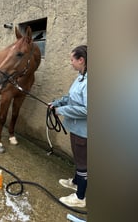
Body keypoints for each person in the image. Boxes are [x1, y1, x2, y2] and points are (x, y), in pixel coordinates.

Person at [49, 45, 87, 208]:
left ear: (81, 60)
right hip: (76, 128)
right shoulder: (81, 77)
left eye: (72, 59)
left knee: (83, 163)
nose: (70, 62)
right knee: (79, 159)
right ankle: (75, 182)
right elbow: (72, 98)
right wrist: (57, 103)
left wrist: (61, 110)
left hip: (84, 132)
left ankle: (80, 197)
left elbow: (87, 109)